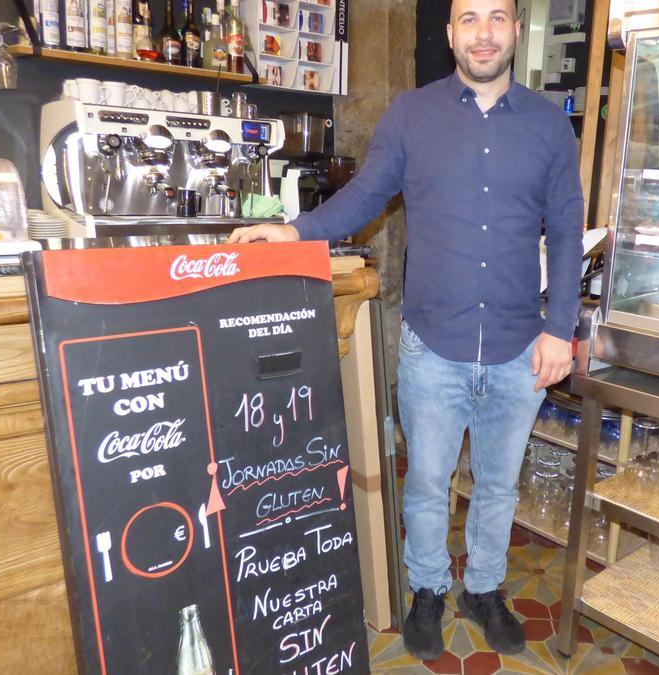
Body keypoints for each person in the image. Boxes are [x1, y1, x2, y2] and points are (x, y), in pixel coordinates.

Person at [228, 0, 583, 660]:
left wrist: (561, 327)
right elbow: (365, 197)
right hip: (432, 345)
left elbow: (565, 232)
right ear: (450, 34)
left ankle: (482, 587)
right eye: (469, 19)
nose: (484, 33)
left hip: (520, 345)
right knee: (425, 482)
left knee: (500, 486)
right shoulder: (411, 116)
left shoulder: (547, 127)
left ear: (515, 30)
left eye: (497, 18)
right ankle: (427, 588)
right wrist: (294, 231)